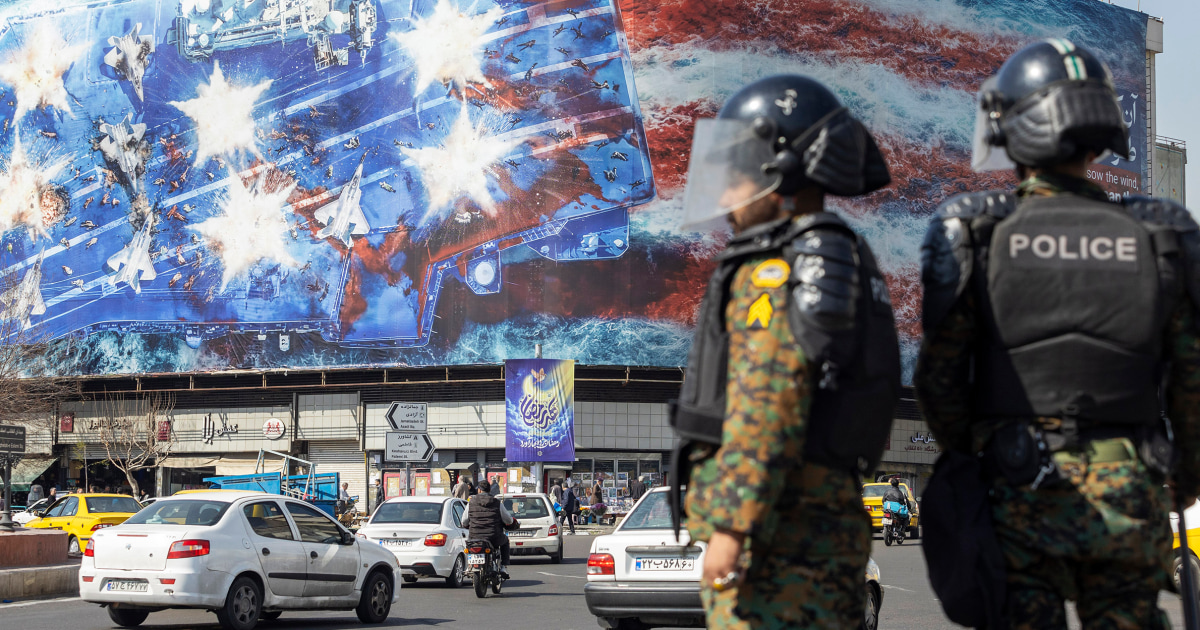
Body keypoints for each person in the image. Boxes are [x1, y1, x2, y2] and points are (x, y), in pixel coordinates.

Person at [916, 39, 1198, 628]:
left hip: (1018, 489)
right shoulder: (1163, 233)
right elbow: (1192, 383)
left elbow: (941, 381)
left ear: (1011, 130)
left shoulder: (973, 229)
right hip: (1130, 489)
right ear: (1100, 133)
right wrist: (1184, 478)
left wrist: (977, 454)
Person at [670, 74, 900, 629]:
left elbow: (768, 400)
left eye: (737, 173)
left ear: (782, 170)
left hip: (775, 538)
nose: (726, 196)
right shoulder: (841, 255)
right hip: (822, 525)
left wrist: (732, 527)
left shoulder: (776, 268)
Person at [462, 491, 516, 579]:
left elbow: (464, 521)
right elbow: (508, 520)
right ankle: (504, 566)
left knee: (469, 547)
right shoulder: (497, 503)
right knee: (505, 541)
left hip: (474, 537)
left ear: (479, 490)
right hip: (493, 537)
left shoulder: (470, 503)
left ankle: (470, 566)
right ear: (489, 490)